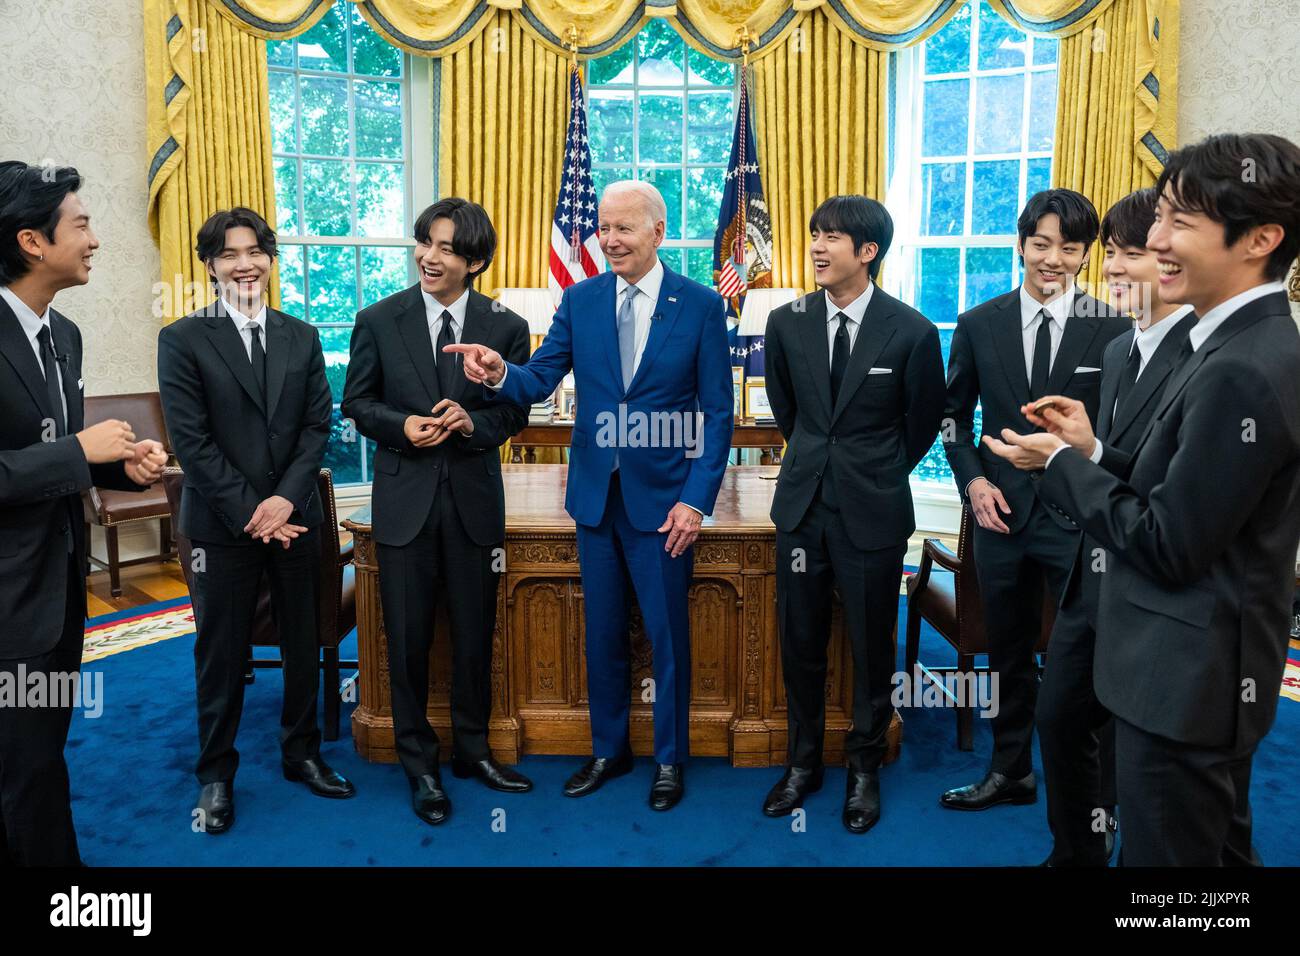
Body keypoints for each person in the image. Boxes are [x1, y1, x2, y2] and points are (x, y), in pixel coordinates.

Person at [988, 133, 1300, 865]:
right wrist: (1096, 451)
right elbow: (1186, 489)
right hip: (1200, 667)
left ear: (1260, 239)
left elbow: (1166, 541)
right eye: (1158, 218)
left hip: (1184, 679)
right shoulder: (1240, 344)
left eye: (1178, 221)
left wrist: (1065, 463)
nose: (1153, 242)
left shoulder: (1242, 368)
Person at [448, 180, 733, 811]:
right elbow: (542, 376)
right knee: (601, 632)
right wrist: (501, 373)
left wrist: (696, 499)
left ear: (658, 233)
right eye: (602, 228)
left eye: (623, 228)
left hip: (664, 506)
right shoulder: (579, 300)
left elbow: (718, 413)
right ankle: (609, 750)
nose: (608, 240)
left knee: (667, 637)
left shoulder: (702, 305)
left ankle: (670, 759)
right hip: (595, 501)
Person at [992, 187, 1194, 864]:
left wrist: (1063, 461)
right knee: (1059, 715)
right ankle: (1076, 852)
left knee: (1130, 748)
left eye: (1128, 252)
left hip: (1143, 578)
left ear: (1174, 262)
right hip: (1091, 573)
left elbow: (1170, 495)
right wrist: (1087, 447)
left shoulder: (1198, 359)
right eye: (1111, 252)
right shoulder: (1119, 352)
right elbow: (1120, 462)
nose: (1109, 268)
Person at [158, 207, 353, 837]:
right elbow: (192, 442)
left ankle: (303, 754)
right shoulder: (183, 338)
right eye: (229, 254)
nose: (245, 264)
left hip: (295, 521)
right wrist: (252, 511)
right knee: (220, 651)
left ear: (270, 258)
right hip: (220, 529)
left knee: (303, 639)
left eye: (255, 251)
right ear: (210, 265)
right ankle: (215, 774)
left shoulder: (301, 335)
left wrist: (283, 503)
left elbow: (315, 428)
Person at [341, 198, 533, 827]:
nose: (429, 256)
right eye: (425, 242)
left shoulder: (505, 326)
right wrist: (403, 426)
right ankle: (418, 764)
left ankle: (473, 752)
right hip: (404, 508)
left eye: (447, 248)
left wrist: (472, 421)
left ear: (474, 261)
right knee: (408, 641)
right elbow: (357, 404)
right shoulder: (377, 319)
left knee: (476, 638)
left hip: (475, 508)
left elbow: (513, 414)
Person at [0, 161, 167, 865]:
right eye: (83, 223)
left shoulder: (62, 334)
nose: (96, 238)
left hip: (59, 591)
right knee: (24, 768)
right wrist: (77, 453)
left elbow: (56, 456)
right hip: (8, 602)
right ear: (33, 242)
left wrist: (115, 466)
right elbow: (56, 454)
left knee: (40, 751)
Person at [939, 189, 1128, 811]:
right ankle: (1010, 770)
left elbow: (1122, 432)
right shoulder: (977, 323)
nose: (1053, 259)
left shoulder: (1115, 328)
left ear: (1085, 255)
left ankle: (1098, 790)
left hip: (1081, 522)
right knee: (1008, 652)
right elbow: (952, 419)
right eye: (1041, 244)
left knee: (1094, 654)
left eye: (1069, 248)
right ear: (1021, 245)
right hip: (999, 516)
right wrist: (974, 482)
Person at [761, 195, 945, 833]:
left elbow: (920, 426)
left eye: (831, 237)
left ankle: (864, 767)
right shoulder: (787, 322)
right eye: (814, 233)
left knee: (872, 646)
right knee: (801, 640)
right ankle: (802, 762)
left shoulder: (914, 331)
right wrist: (819, 458)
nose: (816, 245)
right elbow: (790, 414)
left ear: (867, 252)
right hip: (803, 506)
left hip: (873, 510)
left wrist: (872, 468)